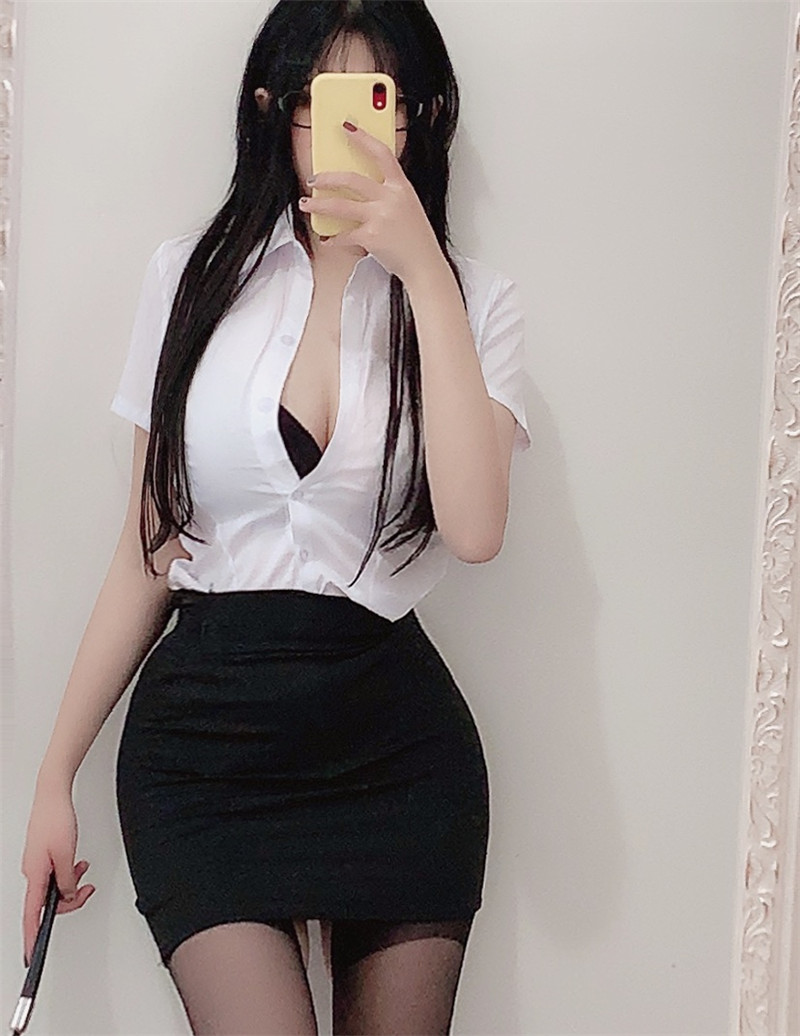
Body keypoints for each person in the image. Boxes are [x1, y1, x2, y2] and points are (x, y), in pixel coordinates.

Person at [20, 1, 531, 1032]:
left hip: (394, 749)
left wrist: (424, 273)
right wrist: (53, 774)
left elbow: (475, 530)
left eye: (378, 102)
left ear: (423, 115)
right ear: (271, 107)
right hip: (203, 752)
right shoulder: (192, 279)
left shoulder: (474, 301)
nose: (351, 136)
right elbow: (147, 548)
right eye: (320, 103)